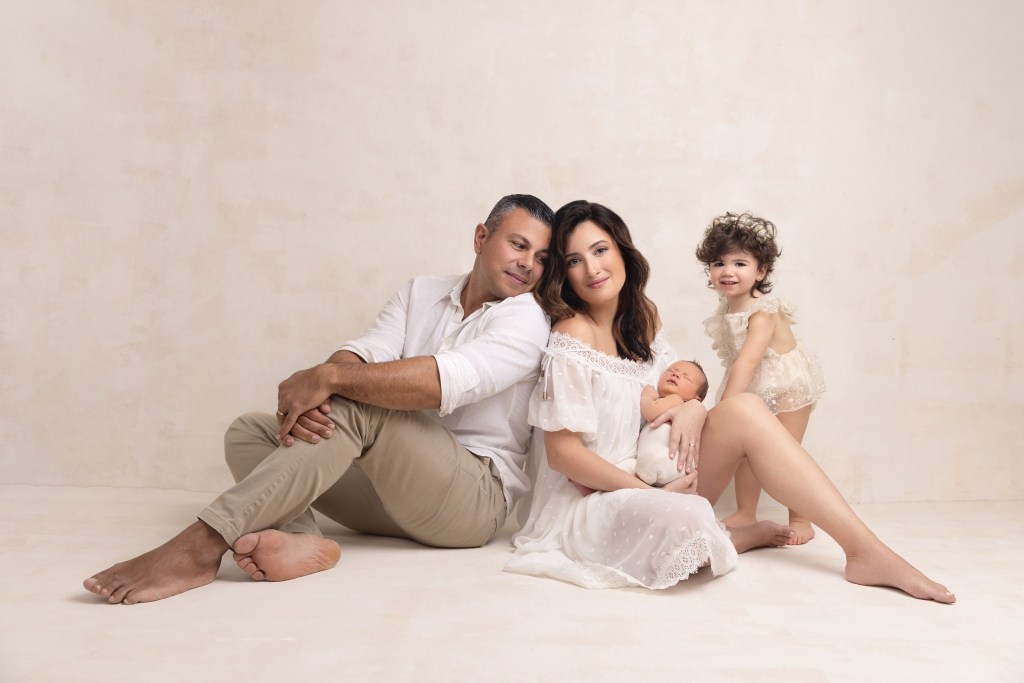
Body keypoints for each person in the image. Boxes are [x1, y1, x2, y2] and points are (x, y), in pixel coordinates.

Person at [83, 194, 554, 604]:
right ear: (481, 238)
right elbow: (366, 353)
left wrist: (326, 378)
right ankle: (302, 540)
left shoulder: (527, 318)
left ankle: (200, 546)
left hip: (470, 503)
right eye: (518, 244)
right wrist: (329, 385)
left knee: (363, 401)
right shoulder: (421, 291)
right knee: (252, 432)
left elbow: (439, 382)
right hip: (387, 495)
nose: (528, 263)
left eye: (542, 257)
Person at [506, 200, 955, 603]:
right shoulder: (573, 334)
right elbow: (563, 454)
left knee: (745, 409)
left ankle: (865, 552)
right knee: (678, 529)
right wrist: (648, 492)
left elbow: (675, 391)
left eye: (601, 250)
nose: (593, 269)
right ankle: (740, 535)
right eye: (574, 260)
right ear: (564, 273)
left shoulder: (643, 319)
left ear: (622, 251)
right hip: (601, 495)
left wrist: (693, 406)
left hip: (664, 472)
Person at [696, 212, 826, 544]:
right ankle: (745, 511)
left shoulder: (764, 311)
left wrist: (724, 410)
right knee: (745, 452)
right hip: (751, 381)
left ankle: (801, 517)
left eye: (740, 263)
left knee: (787, 452)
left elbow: (749, 359)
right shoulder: (726, 310)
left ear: (761, 271)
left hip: (787, 382)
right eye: (718, 263)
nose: (727, 271)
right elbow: (739, 364)